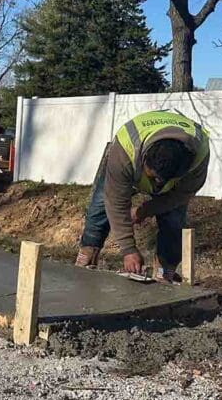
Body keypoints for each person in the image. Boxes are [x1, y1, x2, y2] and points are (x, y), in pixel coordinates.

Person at [75, 109, 209, 282]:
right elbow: (115, 201)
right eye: (152, 178)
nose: (156, 186)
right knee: (99, 208)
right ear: (144, 159)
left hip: (174, 182)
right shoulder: (125, 149)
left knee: (174, 221)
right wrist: (128, 250)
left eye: (162, 181)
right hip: (127, 161)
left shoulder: (199, 156)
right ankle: (86, 258)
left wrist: (145, 210)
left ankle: (164, 271)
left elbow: (180, 196)